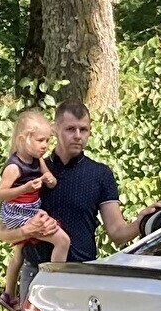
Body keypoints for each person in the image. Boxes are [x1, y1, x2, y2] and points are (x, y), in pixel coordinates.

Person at [12, 99, 149, 296]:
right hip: (37, 273)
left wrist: (141, 221)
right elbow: (4, 230)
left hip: (82, 275)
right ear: (55, 130)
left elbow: (117, 232)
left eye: (83, 130)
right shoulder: (31, 172)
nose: (77, 136)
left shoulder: (100, 174)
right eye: (70, 129)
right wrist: (27, 230)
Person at [0, 109, 70, 309]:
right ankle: (53, 287)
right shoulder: (14, 167)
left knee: (20, 251)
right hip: (17, 212)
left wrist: (50, 180)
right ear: (23, 139)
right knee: (62, 241)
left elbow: (51, 180)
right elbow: (0, 194)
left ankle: (8, 294)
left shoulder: (38, 160)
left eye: (47, 141)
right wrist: (25, 188)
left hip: (30, 209)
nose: (45, 146)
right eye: (40, 140)